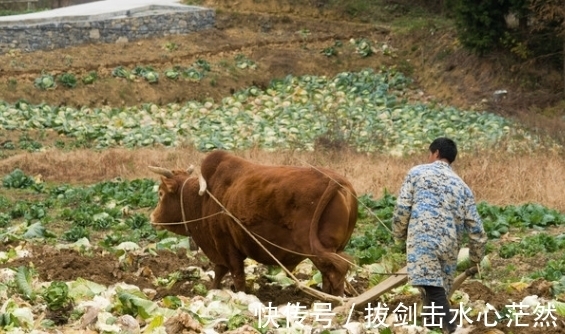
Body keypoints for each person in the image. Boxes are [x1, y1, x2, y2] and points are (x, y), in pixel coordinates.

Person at [392, 137, 487, 334]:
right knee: (435, 290)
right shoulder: (462, 187)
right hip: (450, 246)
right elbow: (476, 228)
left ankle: (451, 329)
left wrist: (398, 235)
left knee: (432, 288)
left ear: (435, 153)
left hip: (423, 240)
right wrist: (475, 258)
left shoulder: (417, 173)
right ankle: (431, 328)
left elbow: (402, 208)